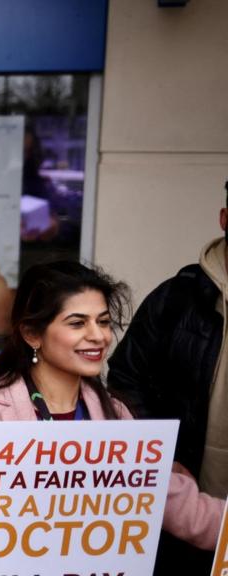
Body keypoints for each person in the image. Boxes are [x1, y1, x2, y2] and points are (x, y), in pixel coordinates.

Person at [0, 261, 225, 564]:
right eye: (77, 323)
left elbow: (178, 503)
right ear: (32, 334)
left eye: (102, 321)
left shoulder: (114, 413)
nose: (98, 335)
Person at [107, 181, 228, 573]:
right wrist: (163, 456)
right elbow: (126, 379)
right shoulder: (176, 299)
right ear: (224, 220)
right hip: (177, 513)